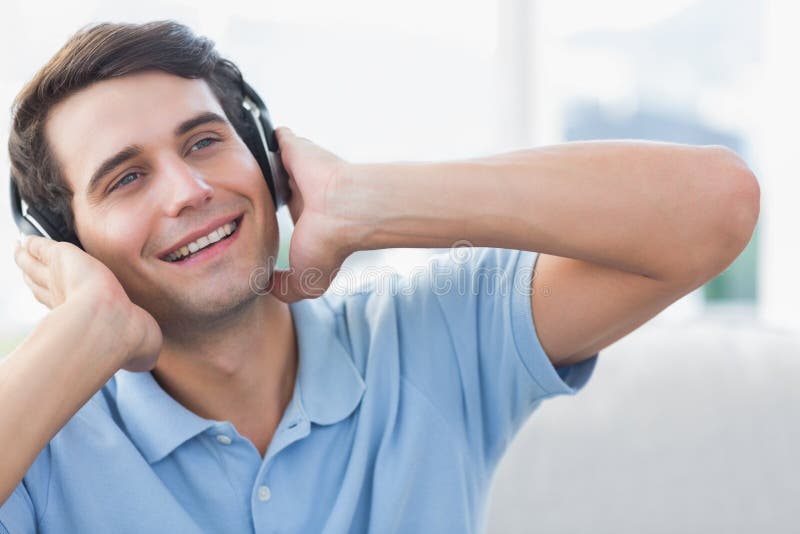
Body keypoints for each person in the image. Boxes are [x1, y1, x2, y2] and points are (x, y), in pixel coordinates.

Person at [0, 20, 759, 534]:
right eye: (125, 179)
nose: (187, 191)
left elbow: (715, 208)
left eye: (203, 142)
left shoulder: (426, 339)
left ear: (268, 158)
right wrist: (87, 323)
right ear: (65, 242)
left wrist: (366, 201)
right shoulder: (41, 431)